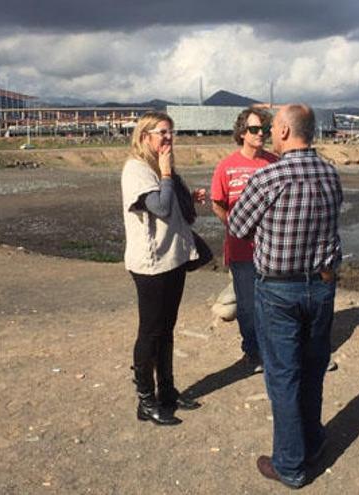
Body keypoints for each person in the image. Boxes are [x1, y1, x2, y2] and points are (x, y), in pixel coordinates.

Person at [229, 104, 343, 488]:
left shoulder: (268, 177)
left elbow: (238, 225)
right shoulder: (330, 173)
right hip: (322, 286)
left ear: (282, 131)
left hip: (279, 288)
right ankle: (311, 443)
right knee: (312, 369)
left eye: (273, 127)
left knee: (283, 376)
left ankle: (291, 464)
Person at [121, 111, 206, 426]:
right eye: (162, 133)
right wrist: (167, 174)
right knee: (150, 332)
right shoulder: (136, 169)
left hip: (174, 259)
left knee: (166, 329)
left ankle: (167, 391)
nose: (169, 139)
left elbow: (174, 208)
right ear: (145, 137)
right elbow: (159, 207)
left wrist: (189, 196)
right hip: (152, 264)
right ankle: (145, 400)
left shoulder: (159, 166)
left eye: (171, 133)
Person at [211, 106, 278, 374]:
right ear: (242, 133)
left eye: (264, 129)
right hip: (241, 251)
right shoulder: (226, 166)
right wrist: (234, 226)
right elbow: (218, 203)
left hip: (272, 250)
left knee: (273, 303)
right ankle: (252, 351)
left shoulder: (274, 162)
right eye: (254, 129)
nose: (260, 133)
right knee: (248, 306)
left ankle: (272, 350)